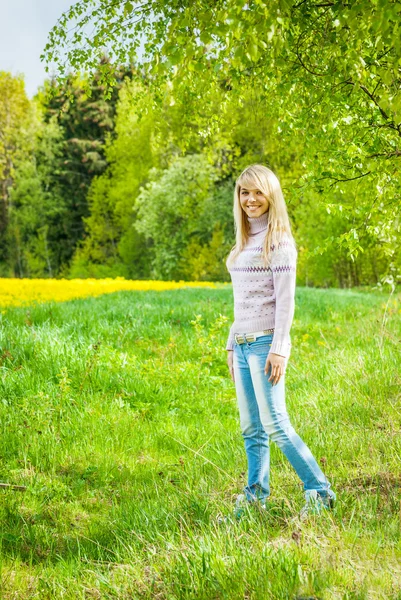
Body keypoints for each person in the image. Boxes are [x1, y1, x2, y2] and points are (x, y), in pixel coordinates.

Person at [225, 164, 336, 520]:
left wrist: (279, 349)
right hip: (242, 344)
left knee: (275, 424)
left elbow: (286, 302)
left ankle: (319, 492)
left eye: (258, 192)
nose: (251, 199)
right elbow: (242, 299)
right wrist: (231, 344)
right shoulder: (243, 243)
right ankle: (254, 500)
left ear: (271, 195)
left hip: (265, 344)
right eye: (244, 192)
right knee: (251, 429)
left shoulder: (280, 243)